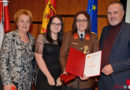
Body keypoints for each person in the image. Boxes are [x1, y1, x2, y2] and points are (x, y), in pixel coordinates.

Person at [59, 11, 99, 90]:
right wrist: (64, 69)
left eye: (84, 20)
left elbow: (95, 58)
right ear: (75, 22)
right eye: (78, 20)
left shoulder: (94, 37)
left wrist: (89, 74)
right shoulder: (68, 35)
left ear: (88, 22)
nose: (81, 23)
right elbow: (62, 56)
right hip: (70, 82)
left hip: (87, 83)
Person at [0, 9, 35, 90]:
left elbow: (32, 62)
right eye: (22, 21)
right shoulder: (9, 37)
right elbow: (3, 61)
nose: (25, 24)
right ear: (17, 23)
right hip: (12, 83)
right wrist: (7, 82)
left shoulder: (32, 39)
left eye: (27, 21)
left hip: (27, 83)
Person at [98, 1, 130, 90]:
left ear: (123, 13)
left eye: (115, 12)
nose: (112, 16)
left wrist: (114, 67)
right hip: (102, 80)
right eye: (109, 13)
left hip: (120, 81)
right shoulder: (105, 30)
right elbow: (100, 52)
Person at [35, 15, 63, 90]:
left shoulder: (63, 41)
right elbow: (38, 58)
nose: (56, 26)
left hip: (58, 78)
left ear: (61, 27)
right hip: (44, 75)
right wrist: (49, 77)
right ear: (49, 25)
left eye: (59, 24)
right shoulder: (42, 37)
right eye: (53, 23)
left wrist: (61, 77)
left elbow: (64, 60)